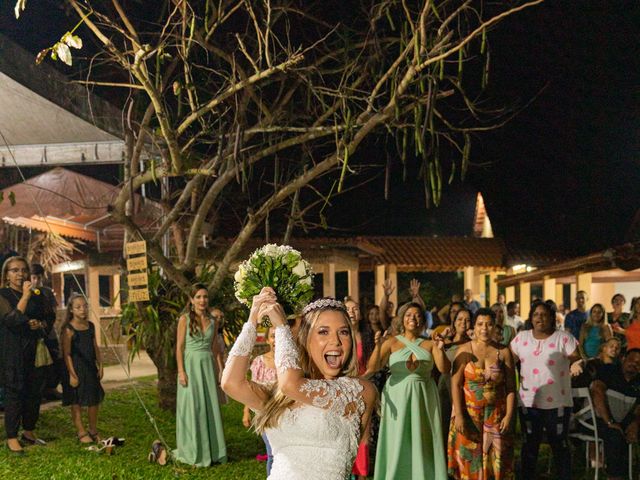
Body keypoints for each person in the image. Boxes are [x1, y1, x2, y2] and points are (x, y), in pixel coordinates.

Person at [222, 290, 377, 480]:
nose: (335, 341)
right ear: (306, 339)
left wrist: (281, 327)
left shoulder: (359, 391)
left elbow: (291, 384)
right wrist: (252, 320)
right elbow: (230, 383)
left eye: (343, 332)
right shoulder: (278, 393)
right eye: (323, 332)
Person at [366, 302, 450, 479]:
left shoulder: (430, 343)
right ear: (402, 319)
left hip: (423, 396)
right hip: (397, 396)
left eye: (417, 315)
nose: (413, 318)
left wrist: (441, 349)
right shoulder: (391, 342)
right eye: (409, 315)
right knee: (398, 437)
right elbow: (372, 367)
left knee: (423, 437)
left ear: (423, 320)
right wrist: (378, 346)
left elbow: (444, 369)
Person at [510, 300, 583, 478]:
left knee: (559, 444)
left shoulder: (564, 338)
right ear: (531, 318)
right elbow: (507, 362)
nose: (540, 318)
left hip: (557, 402)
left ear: (552, 317)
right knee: (529, 445)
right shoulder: (521, 337)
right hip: (529, 401)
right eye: (536, 314)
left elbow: (577, 359)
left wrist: (577, 365)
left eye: (544, 314)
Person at [448, 308, 516, 479]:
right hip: (468, 415)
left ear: (495, 327)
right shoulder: (464, 350)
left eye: (489, 324)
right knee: (469, 461)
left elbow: (511, 387)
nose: (484, 328)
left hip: (496, 416)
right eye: (480, 324)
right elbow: (455, 384)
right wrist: (460, 415)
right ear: (474, 326)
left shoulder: (504, 352)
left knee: (496, 462)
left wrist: (509, 415)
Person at [0, 256, 55, 454]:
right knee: (14, 392)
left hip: (34, 349)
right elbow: (12, 320)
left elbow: (49, 317)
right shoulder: (3, 295)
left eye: (23, 270)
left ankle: (29, 432)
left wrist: (39, 325)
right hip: (12, 351)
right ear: (6, 275)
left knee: (34, 391)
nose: (20, 274)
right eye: (14, 270)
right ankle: (12, 437)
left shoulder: (38, 294)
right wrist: (25, 296)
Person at [174, 284, 227, 466]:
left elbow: (215, 348)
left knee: (210, 406)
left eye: (205, 296)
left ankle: (213, 451)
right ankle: (193, 450)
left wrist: (221, 369)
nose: (202, 300)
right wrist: (181, 371)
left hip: (207, 366)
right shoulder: (184, 320)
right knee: (193, 408)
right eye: (198, 297)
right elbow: (179, 347)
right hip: (190, 366)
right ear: (191, 300)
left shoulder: (214, 321)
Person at [590, 348, 640, 480]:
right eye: (632, 360)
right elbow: (597, 391)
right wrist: (609, 422)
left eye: (639, 363)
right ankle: (615, 477)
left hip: (621, 422)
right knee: (616, 435)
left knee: (624, 432)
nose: (634, 364)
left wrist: (635, 424)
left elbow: (638, 409)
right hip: (596, 420)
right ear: (623, 359)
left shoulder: (638, 382)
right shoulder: (609, 371)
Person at [61, 294, 104, 443]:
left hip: (90, 367)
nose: (83, 310)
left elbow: (95, 347)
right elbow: (66, 354)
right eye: (78, 307)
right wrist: (72, 374)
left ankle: (93, 429)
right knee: (76, 400)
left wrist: (101, 364)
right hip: (76, 367)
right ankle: (81, 431)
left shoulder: (90, 326)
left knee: (94, 399)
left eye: (85, 306)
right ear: (71, 310)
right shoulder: (68, 329)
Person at [344, 297, 374, 480]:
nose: (352, 312)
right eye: (348, 309)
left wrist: (361, 381)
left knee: (362, 436)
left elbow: (372, 365)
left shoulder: (367, 336)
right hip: (342, 390)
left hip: (362, 390)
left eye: (355, 309)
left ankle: (361, 474)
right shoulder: (338, 336)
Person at [243, 326, 276, 475]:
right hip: (264, 413)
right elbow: (252, 389)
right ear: (268, 339)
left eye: (279, 336)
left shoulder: (290, 361)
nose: (276, 340)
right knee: (272, 453)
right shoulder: (259, 361)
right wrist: (246, 412)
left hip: (285, 413)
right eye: (273, 336)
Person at [437, 308, 472, 450]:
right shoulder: (445, 343)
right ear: (454, 322)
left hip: (465, 387)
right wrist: (442, 340)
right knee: (444, 423)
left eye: (467, 319)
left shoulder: (474, 343)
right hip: (445, 386)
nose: (463, 322)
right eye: (460, 319)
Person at [31, 263, 62, 401]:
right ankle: (40, 392)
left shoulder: (47, 292)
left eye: (38, 277)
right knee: (38, 366)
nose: (36, 281)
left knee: (55, 362)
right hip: (34, 337)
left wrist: (46, 324)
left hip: (49, 335)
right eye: (33, 277)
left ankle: (51, 389)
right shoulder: (25, 293)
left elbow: (53, 312)